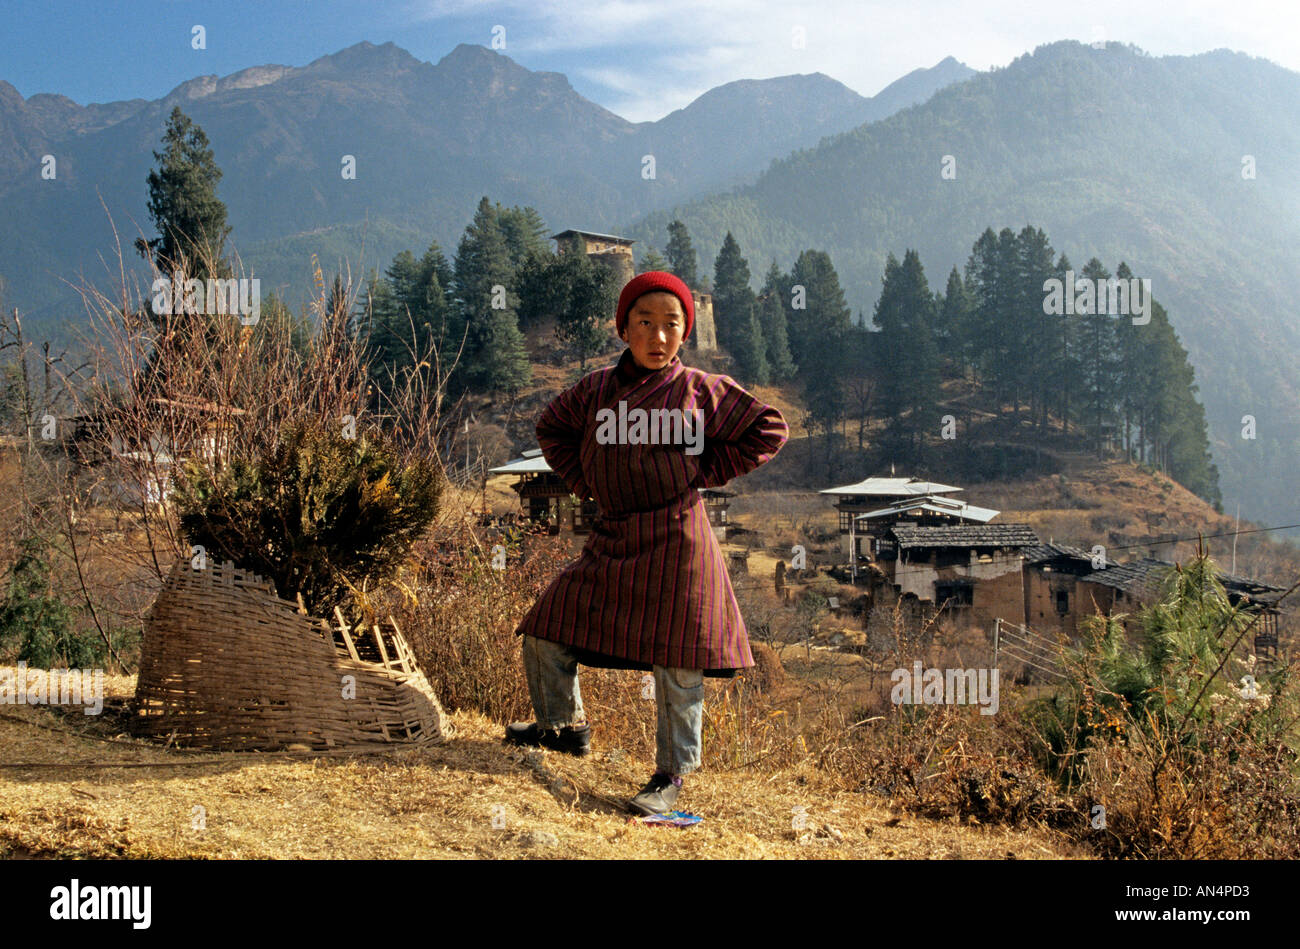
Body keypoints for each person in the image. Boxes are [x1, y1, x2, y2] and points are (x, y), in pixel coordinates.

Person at [505, 270, 789, 815]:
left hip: (678, 538)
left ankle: (672, 777)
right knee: (547, 624)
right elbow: (552, 430)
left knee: (678, 658)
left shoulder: (700, 391)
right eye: (645, 322)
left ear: (685, 333)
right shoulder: (594, 391)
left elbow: (768, 429)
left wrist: (704, 470)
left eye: (671, 325)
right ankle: (560, 728)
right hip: (613, 534)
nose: (658, 337)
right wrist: (586, 480)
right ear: (624, 329)